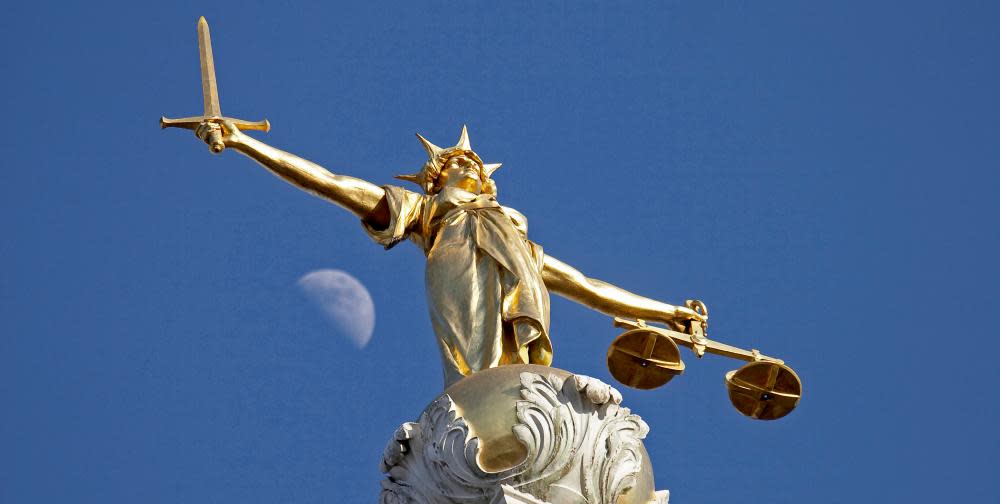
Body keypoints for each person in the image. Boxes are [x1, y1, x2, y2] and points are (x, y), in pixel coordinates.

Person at [195, 122, 706, 385]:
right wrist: (245, 143)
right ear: (439, 176)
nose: (477, 170)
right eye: (464, 164)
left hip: (512, 291)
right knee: (475, 378)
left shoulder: (518, 241)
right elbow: (332, 183)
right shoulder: (426, 213)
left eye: (480, 168)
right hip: (455, 280)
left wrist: (668, 313)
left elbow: (589, 288)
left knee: (519, 380)